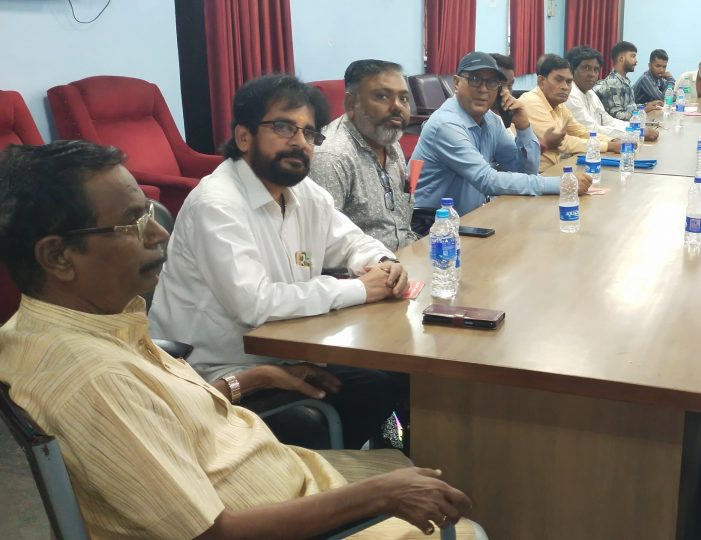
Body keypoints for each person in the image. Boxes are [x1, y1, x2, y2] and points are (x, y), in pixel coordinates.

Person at [0, 140, 482, 539]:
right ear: (58, 257)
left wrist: (250, 380)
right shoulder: (93, 381)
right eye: (132, 223)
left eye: (149, 213)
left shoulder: (71, 325)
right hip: (278, 515)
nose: (159, 234)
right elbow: (215, 533)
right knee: (468, 520)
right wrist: (378, 495)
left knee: (417, 454)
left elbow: (161, 416)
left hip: (281, 474)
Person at [148, 74, 412, 451]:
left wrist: (382, 262)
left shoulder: (303, 192)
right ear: (244, 137)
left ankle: (385, 463)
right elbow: (255, 305)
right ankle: (329, 477)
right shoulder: (217, 204)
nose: (300, 142)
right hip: (217, 374)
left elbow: (351, 241)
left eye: (309, 133)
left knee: (394, 380)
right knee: (357, 398)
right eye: (284, 127)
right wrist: (358, 289)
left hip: (286, 354)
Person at [412, 51, 591, 214]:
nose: (483, 89)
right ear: (457, 83)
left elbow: (525, 172)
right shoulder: (446, 125)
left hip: (471, 217)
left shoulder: (491, 120)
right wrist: (562, 183)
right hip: (432, 225)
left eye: (491, 83)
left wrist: (523, 126)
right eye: (474, 79)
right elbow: (487, 180)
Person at [310, 59, 416, 252]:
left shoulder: (390, 141)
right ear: (351, 103)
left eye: (404, 99)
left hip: (407, 254)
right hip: (365, 267)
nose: (397, 107)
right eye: (382, 96)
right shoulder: (332, 156)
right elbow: (325, 244)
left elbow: (402, 223)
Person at [518, 53, 622, 171]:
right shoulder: (531, 101)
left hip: (554, 168)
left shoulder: (560, 105)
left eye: (568, 82)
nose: (565, 87)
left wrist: (611, 140)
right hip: (534, 174)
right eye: (558, 80)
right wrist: (608, 146)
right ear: (541, 81)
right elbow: (563, 142)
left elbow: (581, 132)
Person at [594, 41, 659, 120]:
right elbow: (617, 116)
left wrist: (646, 106)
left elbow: (629, 107)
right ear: (621, 59)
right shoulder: (613, 83)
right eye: (633, 56)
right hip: (622, 127)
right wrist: (642, 111)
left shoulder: (625, 80)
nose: (636, 61)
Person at [488, 53, 517, 127]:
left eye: (510, 86)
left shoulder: (511, 113)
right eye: (501, 85)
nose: (507, 92)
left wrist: (523, 125)